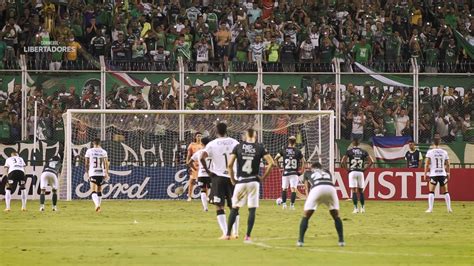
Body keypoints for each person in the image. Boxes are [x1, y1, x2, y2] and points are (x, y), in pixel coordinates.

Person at [223, 129, 275, 243]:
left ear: (245, 136)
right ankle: (247, 236)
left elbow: (230, 164)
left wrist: (232, 179)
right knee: (252, 209)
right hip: (254, 181)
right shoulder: (260, 147)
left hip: (241, 181)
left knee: (235, 208)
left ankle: (227, 234)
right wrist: (263, 178)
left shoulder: (238, 147)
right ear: (255, 136)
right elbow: (272, 163)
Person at [200, 123, 240, 238]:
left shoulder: (212, 144)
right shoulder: (234, 142)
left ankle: (225, 233)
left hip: (219, 177)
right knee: (234, 206)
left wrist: (208, 172)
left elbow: (202, 157)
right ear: (227, 130)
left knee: (219, 206)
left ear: (216, 131)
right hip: (233, 177)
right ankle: (235, 232)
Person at [297, 162, 344, 247]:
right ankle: (341, 241)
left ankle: (300, 240)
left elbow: (306, 187)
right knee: (336, 216)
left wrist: (308, 198)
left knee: (306, 215)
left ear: (312, 168)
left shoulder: (308, 172)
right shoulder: (327, 172)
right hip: (331, 188)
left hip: (317, 188)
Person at [341, 138, 373, 213]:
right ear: (359, 144)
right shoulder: (363, 151)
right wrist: (364, 169)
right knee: (361, 191)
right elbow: (371, 162)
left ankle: (355, 209)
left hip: (352, 172)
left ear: (352, 143)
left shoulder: (349, 151)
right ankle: (362, 208)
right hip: (360, 172)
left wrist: (347, 169)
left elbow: (343, 161)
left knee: (354, 191)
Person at [424, 134, 452, 213]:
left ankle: (430, 209)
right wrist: (448, 173)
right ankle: (449, 208)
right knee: (446, 192)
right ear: (440, 142)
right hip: (442, 174)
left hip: (433, 174)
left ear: (433, 142)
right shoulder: (444, 152)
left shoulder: (430, 152)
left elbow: (426, 164)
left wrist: (425, 174)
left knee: (431, 191)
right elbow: (448, 164)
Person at [274, 136, 304, 210]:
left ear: (288, 141)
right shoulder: (298, 151)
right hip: (294, 173)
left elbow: (275, 158)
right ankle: (292, 205)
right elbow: (303, 160)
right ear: (295, 141)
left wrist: (279, 168)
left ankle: (284, 205)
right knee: (293, 189)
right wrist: (302, 169)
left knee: (284, 188)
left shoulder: (284, 150)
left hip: (286, 172)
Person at [84, 138, 109, 212]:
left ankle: (97, 205)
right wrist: (106, 173)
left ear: (93, 143)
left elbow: (86, 163)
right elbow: (106, 163)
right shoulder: (103, 151)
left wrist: (87, 172)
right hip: (101, 173)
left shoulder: (89, 151)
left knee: (93, 191)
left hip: (93, 172)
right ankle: (99, 206)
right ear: (100, 143)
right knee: (99, 190)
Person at [189, 137, 212, 211]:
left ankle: (205, 208)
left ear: (202, 144)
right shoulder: (212, 152)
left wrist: (194, 169)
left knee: (203, 190)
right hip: (210, 174)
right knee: (211, 189)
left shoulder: (198, 152)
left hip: (201, 174)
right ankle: (212, 201)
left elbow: (189, 162)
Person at [186, 132, 204, 201]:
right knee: (192, 180)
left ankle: (206, 196)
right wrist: (187, 163)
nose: (199, 137)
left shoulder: (203, 145)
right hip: (194, 165)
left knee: (205, 181)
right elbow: (188, 155)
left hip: (202, 165)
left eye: (200, 136)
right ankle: (189, 196)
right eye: (198, 136)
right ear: (195, 137)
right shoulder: (192, 145)